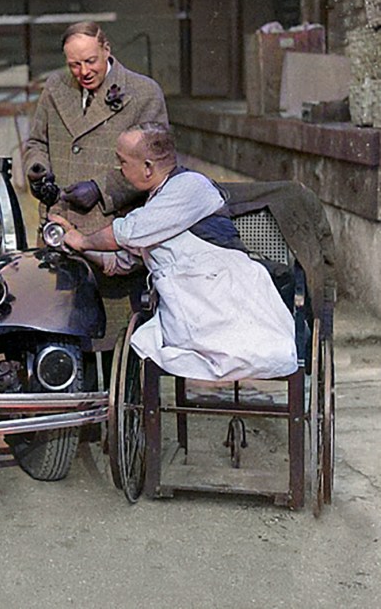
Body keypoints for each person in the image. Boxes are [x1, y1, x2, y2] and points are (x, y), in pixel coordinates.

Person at [51, 122, 297, 382]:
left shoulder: (190, 186)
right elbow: (120, 262)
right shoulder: (157, 202)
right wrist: (71, 238)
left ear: (148, 167)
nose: (119, 170)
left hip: (226, 297)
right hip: (189, 302)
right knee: (153, 339)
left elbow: (128, 232)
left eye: (123, 162)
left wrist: (83, 241)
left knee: (217, 345)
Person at [22, 22, 168, 354]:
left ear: (107, 49)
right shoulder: (56, 87)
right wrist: (37, 170)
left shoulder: (144, 93)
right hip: (59, 230)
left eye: (90, 61)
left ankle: (116, 402)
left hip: (109, 233)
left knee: (114, 340)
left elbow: (154, 163)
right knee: (59, 331)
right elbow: (36, 142)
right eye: (74, 64)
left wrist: (100, 189)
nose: (83, 71)